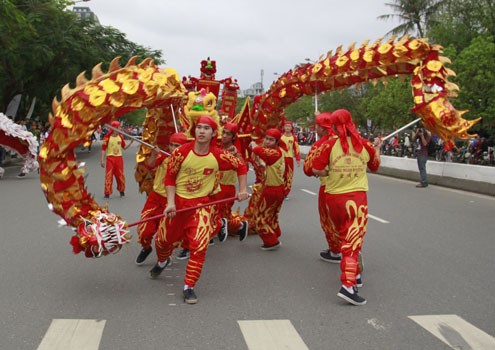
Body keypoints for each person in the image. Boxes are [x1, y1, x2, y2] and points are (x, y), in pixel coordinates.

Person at [151, 115, 249, 304]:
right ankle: (163, 261)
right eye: (199, 128)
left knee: (199, 246)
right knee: (163, 241)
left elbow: (241, 166)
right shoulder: (181, 152)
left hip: (201, 207)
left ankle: (189, 286)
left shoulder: (218, 155)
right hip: (178, 205)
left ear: (213, 133)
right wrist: (170, 203)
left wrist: (243, 189)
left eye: (206, 128)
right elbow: (169, 179)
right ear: (194, 131)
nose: (202, 131)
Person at [312, 109, 382, 306]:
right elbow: (375, 166)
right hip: (356, 199)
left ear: (332, 126)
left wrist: (331, 170)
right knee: (351, 244)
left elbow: (317, 169)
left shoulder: (328, 145)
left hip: (333, 199)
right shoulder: (364, 145)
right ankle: (348, 285)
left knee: (346, 238)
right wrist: (377, 148)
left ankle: (356, 276)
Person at [135, 132, 188, 265]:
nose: (173, 148)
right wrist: (153, 154)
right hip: (155, 198)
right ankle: (146, 248)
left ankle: (164, 257)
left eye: (177, 145)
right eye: (171, 145)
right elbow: (149, 166)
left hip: (173, 202)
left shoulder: (189, 161)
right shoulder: (164, 156)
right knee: (144, 230)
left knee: (166, 235)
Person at [303, 112, 341, 262]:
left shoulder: (322, 144)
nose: (316, 129)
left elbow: (308, 168)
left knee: (328, 220)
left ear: (323, 128)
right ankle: (350, 250)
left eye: (318, 126)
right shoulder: (347, 141)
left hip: (329, 188)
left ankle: (336, 250)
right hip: (350, 188)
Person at [248, 128, 286, 250]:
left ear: (277, 142)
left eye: (271, 140)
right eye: (267, 139)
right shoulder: (279, 152)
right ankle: (275, 233)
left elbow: (259, 151)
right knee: (272, 215)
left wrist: (253, 144)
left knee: (259, 218)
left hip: (272, 190)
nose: (268, 141)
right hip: (278, 189)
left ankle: (271, 241)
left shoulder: (275, 153)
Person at [100, 120, 133, 198]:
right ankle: (107, 193)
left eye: (119, 127)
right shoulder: (107, 137)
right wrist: (102, 160)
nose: (120, 128)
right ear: (114, 128)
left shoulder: (120, 137)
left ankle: (121, 190)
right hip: (110, 158)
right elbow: (103, 149)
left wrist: (131, 142)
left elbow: (124, 147)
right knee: (109, 176)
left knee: (120, 176)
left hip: (119, 159)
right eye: (118, 127)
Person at [280, 120, 301, 199]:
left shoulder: (293, 138)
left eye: (289, 126)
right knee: (281, 175)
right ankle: (280, 191)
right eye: (286, 126)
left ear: (291, 128)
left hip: (289, 159)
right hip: (281, 159)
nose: (287, 128)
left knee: (289, 176)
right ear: (284, 127)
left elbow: (296, 148)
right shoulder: (280, 136)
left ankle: (286, 193)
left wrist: (298, 159)